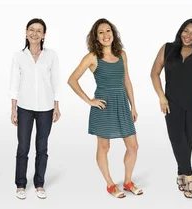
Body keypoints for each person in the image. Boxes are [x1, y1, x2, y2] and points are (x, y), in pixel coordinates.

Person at [68, 18, 142, 199]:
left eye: (108, 31)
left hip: (122, 104)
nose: (105, 35)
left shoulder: (122, 54)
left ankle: (127, 181)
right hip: (104, 105)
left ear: (113, 33)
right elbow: (72, 80)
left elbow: (126, 81)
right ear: (95, 37)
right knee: (104, 147)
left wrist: (133, 106)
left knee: (133, 146)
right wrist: (89, 101)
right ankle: (110, 184)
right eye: (100, 32)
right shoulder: (92, 57)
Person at [150, 18, 192, 199]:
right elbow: (154, 73)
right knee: (177, 138)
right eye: (186, 31)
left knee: (187, 141)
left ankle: (180, 174)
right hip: (172, 102)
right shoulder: (167, 48)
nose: (188, 36)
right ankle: (190, 177)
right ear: (180, 31)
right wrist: (161, 96)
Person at [9, 18, 61, 200]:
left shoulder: (51, 55)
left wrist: (56, 106)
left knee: (42, 147)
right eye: (31, 29)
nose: (34, 33)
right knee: (23, 147)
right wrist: (13, 109)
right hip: (24, 107)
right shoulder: (18, 56)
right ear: (26, 32)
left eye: (39, 31)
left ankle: (39, 183)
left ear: (44, 35)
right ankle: (20, 184)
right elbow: (14, 84)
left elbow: (56, 81)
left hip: (46, 107)